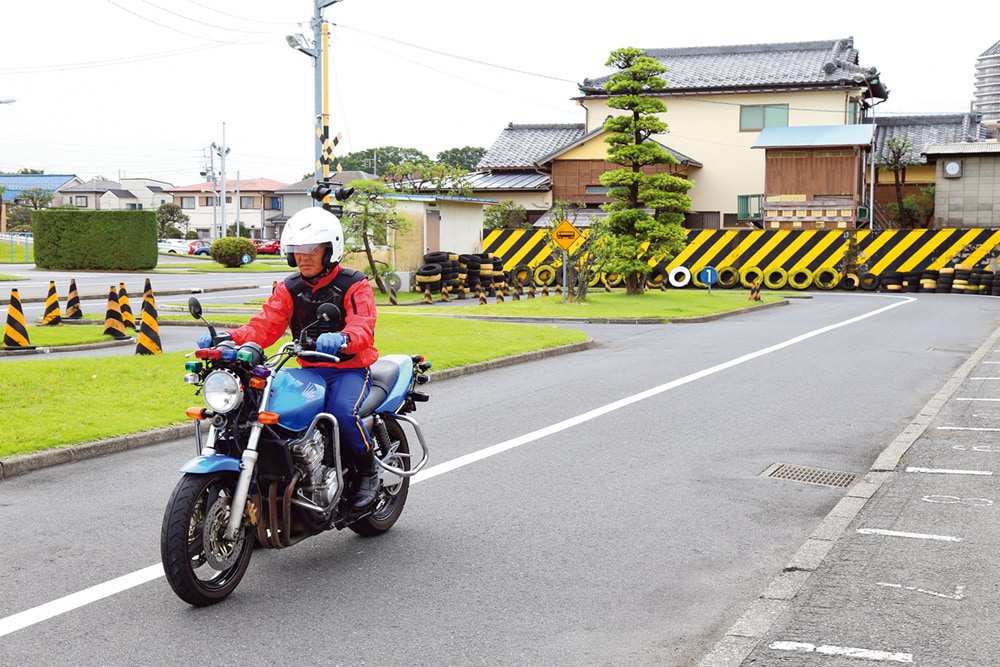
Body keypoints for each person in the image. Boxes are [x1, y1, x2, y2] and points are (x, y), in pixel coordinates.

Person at [196, 206, 380, 510]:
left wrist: (344, 338)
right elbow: (265, 325)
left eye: (311, 249)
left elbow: (363, 326)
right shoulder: (289, 288)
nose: (303, 256)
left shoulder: (354, 284)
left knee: (343, 414)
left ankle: (367, 473)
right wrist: (228, 338)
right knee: (264, 412)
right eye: (297, 250)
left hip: (349, 370)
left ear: (330, 249)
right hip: (307, 370)